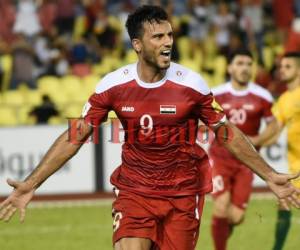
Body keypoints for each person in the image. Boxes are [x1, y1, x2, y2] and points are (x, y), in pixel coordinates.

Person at [0, 5, 299, 250]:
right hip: (135, 191)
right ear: (138, 45)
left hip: (183, 193)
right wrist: (32, 183)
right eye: (157, 37)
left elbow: (227, 133)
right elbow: (75, 136)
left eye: (169, 35)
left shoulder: (191, 84)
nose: (168, 42)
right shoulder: (113, 85)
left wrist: (269, 175)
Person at [208, 49, 278, 250]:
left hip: (247, 162)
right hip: (219, 157)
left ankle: (221, 233)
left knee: (236, 217)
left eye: (248, 64)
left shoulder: (262, 96)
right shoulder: (216, 94)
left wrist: (258, 139)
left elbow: (273, 125)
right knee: (221, 205)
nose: (244, 68)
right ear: (230, 67)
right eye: (239, 63)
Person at [260, 52, 300, 250]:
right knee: (283, 201)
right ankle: (277, 247)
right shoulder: (283, 100)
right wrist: (253, 145)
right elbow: (274, 133)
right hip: (295, 168)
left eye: (288, 66)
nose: (281, 70)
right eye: (281, 66)